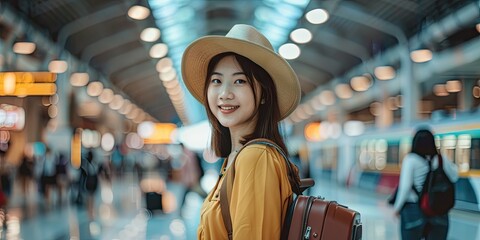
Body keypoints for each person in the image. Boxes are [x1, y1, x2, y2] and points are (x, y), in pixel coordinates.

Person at [181, 24, 301, 239]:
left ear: (264, 94)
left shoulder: (256, 158)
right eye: (216, 80)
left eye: (240, 81)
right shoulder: (236, 157)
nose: (225, 93)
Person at [393, 128, 459, 240]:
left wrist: (396, 209)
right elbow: (454, 176)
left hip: (413, 209)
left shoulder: (410, 159)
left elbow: (405, 188)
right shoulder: (441, 159)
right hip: (437, 208)